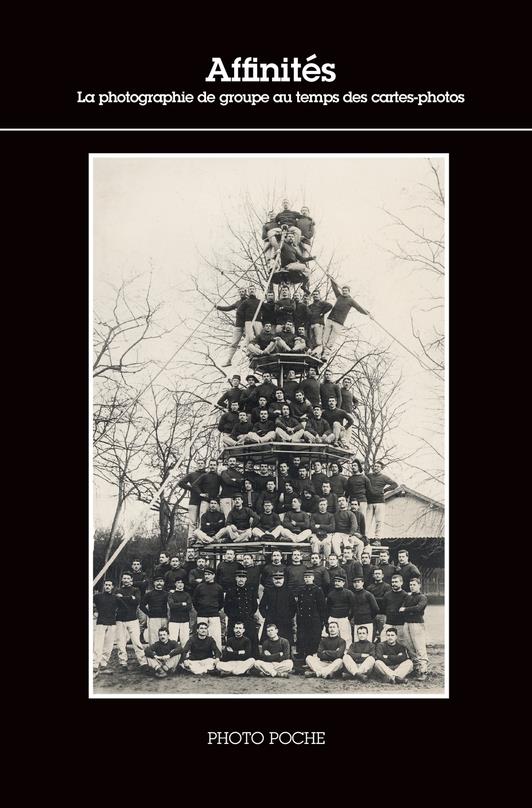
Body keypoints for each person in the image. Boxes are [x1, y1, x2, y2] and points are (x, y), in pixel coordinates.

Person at [321, 276, 370, 359]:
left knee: (331, 340)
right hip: (330, 319)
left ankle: (325, 355)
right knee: (324, 338)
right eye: (343, 290)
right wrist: (331, 279)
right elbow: (335, 288)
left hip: (338, 323)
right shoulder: (339, 296)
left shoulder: (351, 300)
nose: (344, 292)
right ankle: (321, 352)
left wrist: (367, 313)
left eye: (346, 291)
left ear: (349, 292)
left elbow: (359, 308)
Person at [114, 572, 147, 671]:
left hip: (133, 619)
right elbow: (117, 601)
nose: (126, 580)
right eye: (124, 578)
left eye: (128, 578)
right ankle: (123, 663)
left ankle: (143, 663)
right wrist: (129, 599)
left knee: (137, 642)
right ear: (122, 580)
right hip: (120, 620)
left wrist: (122, 598)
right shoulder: (117, 590)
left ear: (131, 580)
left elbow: (136, 601)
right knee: (121, 642)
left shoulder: (136, 590)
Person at [223, 570, 259, 657]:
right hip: (235, 620)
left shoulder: (251, 590)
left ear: (246, 579)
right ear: (236, 578)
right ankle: (233, 658)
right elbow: (226, 607)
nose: (241, 579)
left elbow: (254, 605)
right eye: (239, 577)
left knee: (252, 639)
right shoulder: (230, 590)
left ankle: (253, 659)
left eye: (243, 577)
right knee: (233, 640)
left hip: (248, 619)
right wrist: (233, 617)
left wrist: (249, 615)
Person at [399, 577, 428, 680]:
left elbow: (418, 608)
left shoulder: (422, 597)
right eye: (411, 585)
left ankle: (423, 671)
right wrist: (408, 610)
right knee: (410, 647)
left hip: (417, 624)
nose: (412, 587)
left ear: (419, 585)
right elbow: (401, 608)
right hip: (407, 623)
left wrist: (406, 609)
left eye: (414, 585)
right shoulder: (408, 597)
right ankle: (416, 669)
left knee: (419, 647)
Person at [297, 568, 327, 658]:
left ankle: (312, 657)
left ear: (313, 578)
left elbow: (322, 607)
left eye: (309, 577)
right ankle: (302, 657)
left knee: (313, 639)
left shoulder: (318, 590)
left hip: (314, 619)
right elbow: (299, 605)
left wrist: (323, 621)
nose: (307, 579)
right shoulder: (301, 590)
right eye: (305, 577)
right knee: (302, 638)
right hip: (303, 619)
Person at [259, 570, 296, 643]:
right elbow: (262, 606)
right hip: (271, 620)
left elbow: (293, 606)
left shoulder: (288, 591)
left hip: (285, 621)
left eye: (280, 579)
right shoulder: (268, 591)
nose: (278, 581)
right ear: (273, 579)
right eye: (276, 579)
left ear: (283, 579)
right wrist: (266, 615)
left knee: (286, 642)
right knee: (269, 642)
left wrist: (289, 616)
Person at [192, 567, 224, 651]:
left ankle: (217, 654)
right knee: (201, 635)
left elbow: (221, 602)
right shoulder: (199, 587)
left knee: (215, 635)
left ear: (213, 575)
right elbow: (194, 601)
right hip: (202, 615)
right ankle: (201, 653)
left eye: (209, 574)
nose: (206, 576)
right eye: (205, 574)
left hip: (214, 615)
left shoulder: (218, 587)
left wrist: (215, 609)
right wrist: (200, 610)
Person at [366, 461, 398, 541]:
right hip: (369, 502)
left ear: (381, 468)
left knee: (379, 521)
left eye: (378, 466)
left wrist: (385, 490)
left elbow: (395, 484)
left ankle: (377, 539)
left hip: (380, 502)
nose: (375, 468)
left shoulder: (384, 477)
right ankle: (365, 538)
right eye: (375, 466)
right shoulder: (368, 476)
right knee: (366, 521)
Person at [216, 288, 248, 367]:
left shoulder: (248, 301)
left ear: (245, 292)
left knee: (249, 341)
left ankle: (251, 355)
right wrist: (218, 307)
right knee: (234, 343)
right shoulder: (237, 303)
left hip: (247, 324)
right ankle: (228, 360)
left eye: (243, 291)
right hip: (238, 325)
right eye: (240, 292)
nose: (241, 293)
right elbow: (228, 308)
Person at [93, 580, 120, 676]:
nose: (108, 586)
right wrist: (94, 611)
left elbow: (122, 607)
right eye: (106, 585)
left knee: (108, 646)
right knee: (98, 645)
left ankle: (103, 665)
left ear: (112, 586)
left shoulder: (115, 598)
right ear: (104, 586)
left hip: (112, 623)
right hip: (101, 623)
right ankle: (95, 665)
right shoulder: (97, 596)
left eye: (109, 585)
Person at [326, 573, 355, 649]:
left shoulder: (349, 593)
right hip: (333, 618)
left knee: (346, 637)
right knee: (332, 636)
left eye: (339, 581)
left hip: (344, 619)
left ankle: (346, 652)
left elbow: (353, 607)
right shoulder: (331, 594)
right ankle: (333, 652)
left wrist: (349, 617)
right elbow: (328, 607)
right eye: (335, 581)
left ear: (343, 583)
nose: (337, 583)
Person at [178, 462, 206, 538]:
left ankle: (200, 538)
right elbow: (181, 483)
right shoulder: (192, 474)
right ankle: (191, 539)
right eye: (199, 463)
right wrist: (191, 488)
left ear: (204, 465)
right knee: (192, 522)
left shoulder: (207, 474)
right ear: (197, 465)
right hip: (193, 501)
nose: (200, 464)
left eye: (202, 463)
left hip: (204, 501)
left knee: (202, 521)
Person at [332, 496, 364, 560]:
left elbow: (354, 525)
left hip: (348, 534)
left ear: (347, 503)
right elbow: (333, 525)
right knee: (335, 541)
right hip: (338, 533)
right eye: (339, 501)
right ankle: (340, 557)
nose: (341, 502)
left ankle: (356, 558)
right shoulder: (335, 514)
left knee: (360, 543)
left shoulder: (351, 514)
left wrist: (350, 534)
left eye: (343, 500)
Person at [141, 576, 169, 645]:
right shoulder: (149, 594)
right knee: (154, 637)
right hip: (153, 619)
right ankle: (153, 653)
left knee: (164, 636)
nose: (159, 583)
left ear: (164, 583)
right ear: (154, 583)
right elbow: (141, 605)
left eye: (161, 581)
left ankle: (164, 652)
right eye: (157, 581)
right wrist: (149, 613)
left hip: (164, 618)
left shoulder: (167, 594)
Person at [381, 574, 408, 642]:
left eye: (396, 582)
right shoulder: (387, 595)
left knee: (400, 642)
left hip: (400, 624)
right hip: (388, 623)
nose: (394, 584)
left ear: (401, 583)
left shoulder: (405, 595)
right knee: (384, 639)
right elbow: (383, 608)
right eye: (392, 582)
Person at [367, 567, 392, 643]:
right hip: (372, 615)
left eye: (379, 574)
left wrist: (373, 598)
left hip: (382, 614)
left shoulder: (387, 587)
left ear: (382, 575)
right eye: (376, 574)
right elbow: (367, 600)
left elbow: (386, 600)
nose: (377, 575)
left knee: (384, 634)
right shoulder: (369, 587)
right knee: (371, 634)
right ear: (373, 575)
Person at [351, 576, 379, 641]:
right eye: (354, 582)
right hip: (357, 622)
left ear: (362, 583)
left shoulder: (368, 594)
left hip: (367, 622)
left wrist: (369, 617)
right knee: (357, 641)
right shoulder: (353, 595)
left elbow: (376, 609)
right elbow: (352, 608)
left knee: (367, 641)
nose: (356, 584)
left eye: (358, 582)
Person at [345, 460, 373, 524]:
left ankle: (362, 533)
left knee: (361, 519)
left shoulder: (365, 478)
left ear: (359, 467)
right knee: (352, 519)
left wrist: (367, 501)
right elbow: (347, 491)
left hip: (362, 501)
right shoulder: (350, 479)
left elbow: (369, 490)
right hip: (352, 502)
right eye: (352, 466)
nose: (353, 467)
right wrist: (346, 500)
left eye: (355, 465)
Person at [167, 578, 192, 647]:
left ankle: (185, 656)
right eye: (178, 582)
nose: (180, 584)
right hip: (174, 620)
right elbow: (171, 605)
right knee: (173, 640)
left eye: (182, 583)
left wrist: (177, 605)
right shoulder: (171, 594)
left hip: (185, 620)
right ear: (175, 584)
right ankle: (173, 656)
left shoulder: (187, 594)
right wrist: (182, 604)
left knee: (185, 640)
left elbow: (189, 607)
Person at [339, 376, 358, 444]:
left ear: (350, 384)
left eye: (348, 382)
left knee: (349, 429)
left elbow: (356, 401)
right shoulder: (340, 391)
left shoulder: (350, 393)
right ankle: (342, 442)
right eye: (345, 382)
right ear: (343, 383)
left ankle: (347, 443)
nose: (347, 384)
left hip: (349, 413)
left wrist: (354, 406)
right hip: (342, 413)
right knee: (343, 428)